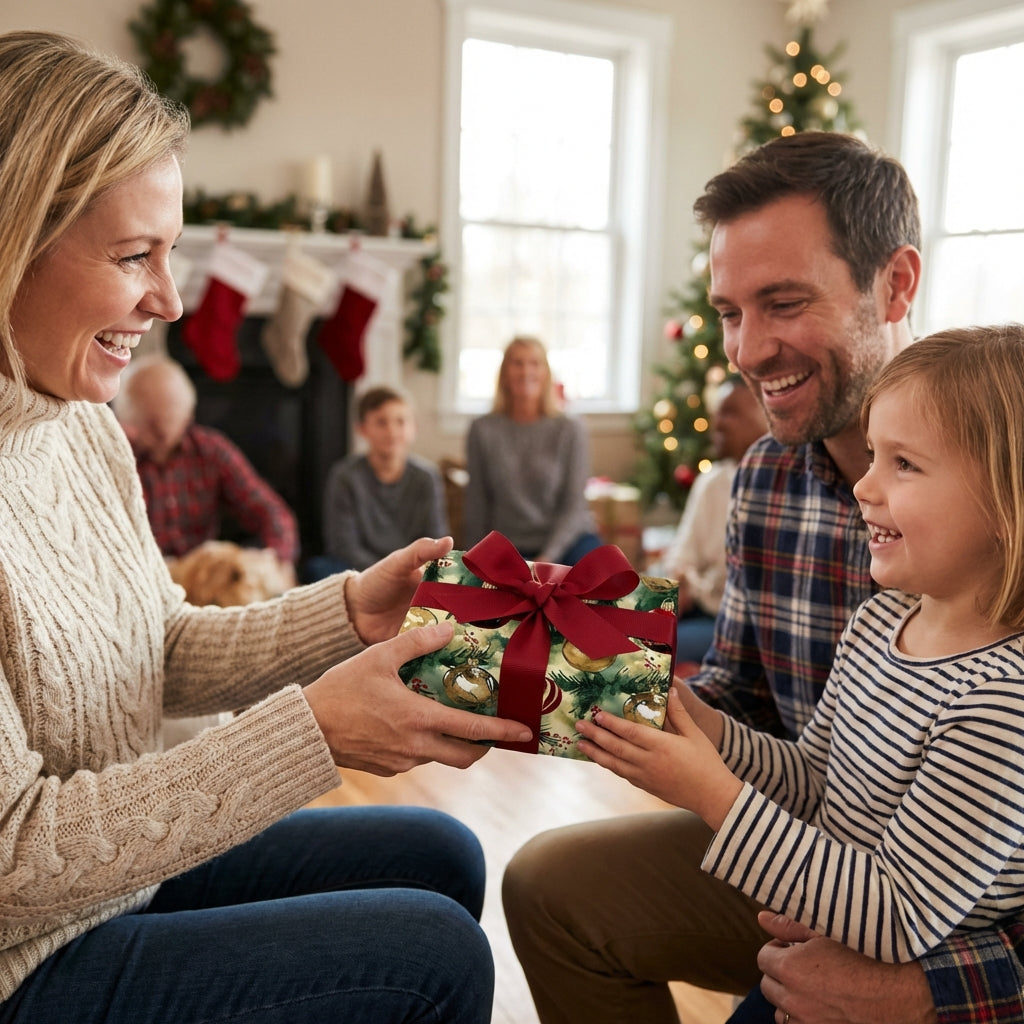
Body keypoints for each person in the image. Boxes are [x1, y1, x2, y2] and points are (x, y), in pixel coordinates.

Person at [0, 30, 534, 1024]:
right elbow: (13, 862)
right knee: (434, 958)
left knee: (442, 851)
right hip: (22, 958)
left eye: (171, 252)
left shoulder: (79, 429)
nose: (165, 297)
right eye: (134, 256)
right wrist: (314, 730)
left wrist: (352, 612)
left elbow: (156, 650)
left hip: (106, 886)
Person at [503, 131, 1024, 1024]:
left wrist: (930, 994)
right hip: (802, 854)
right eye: (728, 312)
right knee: (547, 886)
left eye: (782, 302)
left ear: (895, 284)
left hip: (951, 933)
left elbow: (910, 905)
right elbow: (769, 732)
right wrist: (630, 700)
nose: (745, 351)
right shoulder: (770, 483)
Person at [577, 325, 1024, 1021]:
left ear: (1005, 500)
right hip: (819, 953)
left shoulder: (1001, 701)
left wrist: (713, 794)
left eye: (904, 464)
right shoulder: (881, 622)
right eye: (873, 455)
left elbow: (898, 914)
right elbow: (815, 783)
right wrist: (708, 726)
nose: (865, 487)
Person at [113, 352, 300, 578]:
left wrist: (276, 558)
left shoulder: (210, 450)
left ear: (188, 414)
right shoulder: (110, 455)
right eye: (150, 425)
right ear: (125, 419)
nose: (162, 435)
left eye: (170, 422)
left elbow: (270, 512)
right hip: (137, 577)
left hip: (201, 580)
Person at [463, 335, 603, 565]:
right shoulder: (482, 430)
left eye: (534, 363)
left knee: (605, 581)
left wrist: (547, 559)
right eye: (517, 363)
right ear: (504, 374)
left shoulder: (570, 429)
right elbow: (477, 504)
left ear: (546, 373)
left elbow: (574, 506)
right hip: (508, 545)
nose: (525, 371)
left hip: (568, 542)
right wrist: (475, 560)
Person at [657, 375, 766, 663]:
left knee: (653, 652)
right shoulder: (711, 482)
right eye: (717, 413)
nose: (717, 424)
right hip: (697, 609)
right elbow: (681, 557)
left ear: (767, 415)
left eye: (730, 413)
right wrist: (678, 577)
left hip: (733, 625)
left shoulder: (779, 489)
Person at [320, 385, 449, 572]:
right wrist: (388, 573)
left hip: (414, 571)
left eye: (401, 421)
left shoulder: (427, 477)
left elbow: (436, 538)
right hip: (360, 573)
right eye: (381, 422)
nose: (392, 431)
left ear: (414, 428)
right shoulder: (345, 477)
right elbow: (343, 546)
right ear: (362, 429)